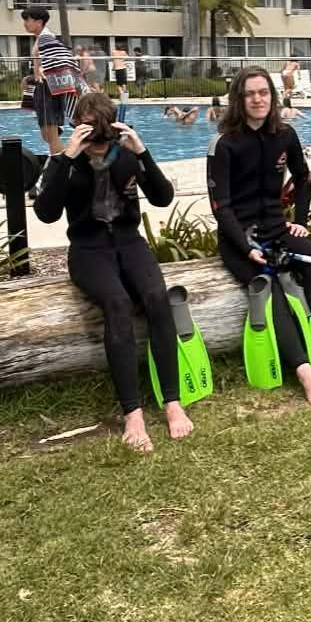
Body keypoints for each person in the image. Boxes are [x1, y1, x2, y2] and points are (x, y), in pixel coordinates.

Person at [34, 90, 191, 452]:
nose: (99, 147)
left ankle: (171, 401)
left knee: (157, 299)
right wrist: (65, 157)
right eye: (93, 139)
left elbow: (163, 197)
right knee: (118, 304)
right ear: (80, 132)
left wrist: (142, 151)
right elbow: (45, 212)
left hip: (129, 243)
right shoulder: (69, 161)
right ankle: (132, 413)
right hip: (88, 250)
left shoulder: (125, 156)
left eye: (105, 138)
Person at [207, 66, 311, 407]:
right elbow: (220, 207)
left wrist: (300, 220)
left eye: (263, 92)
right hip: (239, 239)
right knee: (272, 291)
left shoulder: (285, 135)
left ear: (272, 96)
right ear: (239, 98)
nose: (257, 99)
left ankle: (309, 346)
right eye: (249, 93)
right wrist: (246, 247)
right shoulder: (224, 144)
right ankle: (305, 371)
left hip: (276, 230)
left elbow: (304, 177)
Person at [21, 6, 82, 157]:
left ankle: (65, 166)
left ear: (39, 22)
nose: (25, 23)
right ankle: (62, 162)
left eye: (27, 20)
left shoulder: (46, 38)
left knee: (49, 134)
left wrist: (44, 72)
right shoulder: (41, 38)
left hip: (48, 89)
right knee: (47, 135)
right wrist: (31, 78)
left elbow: (62, 60)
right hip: (45, 88)